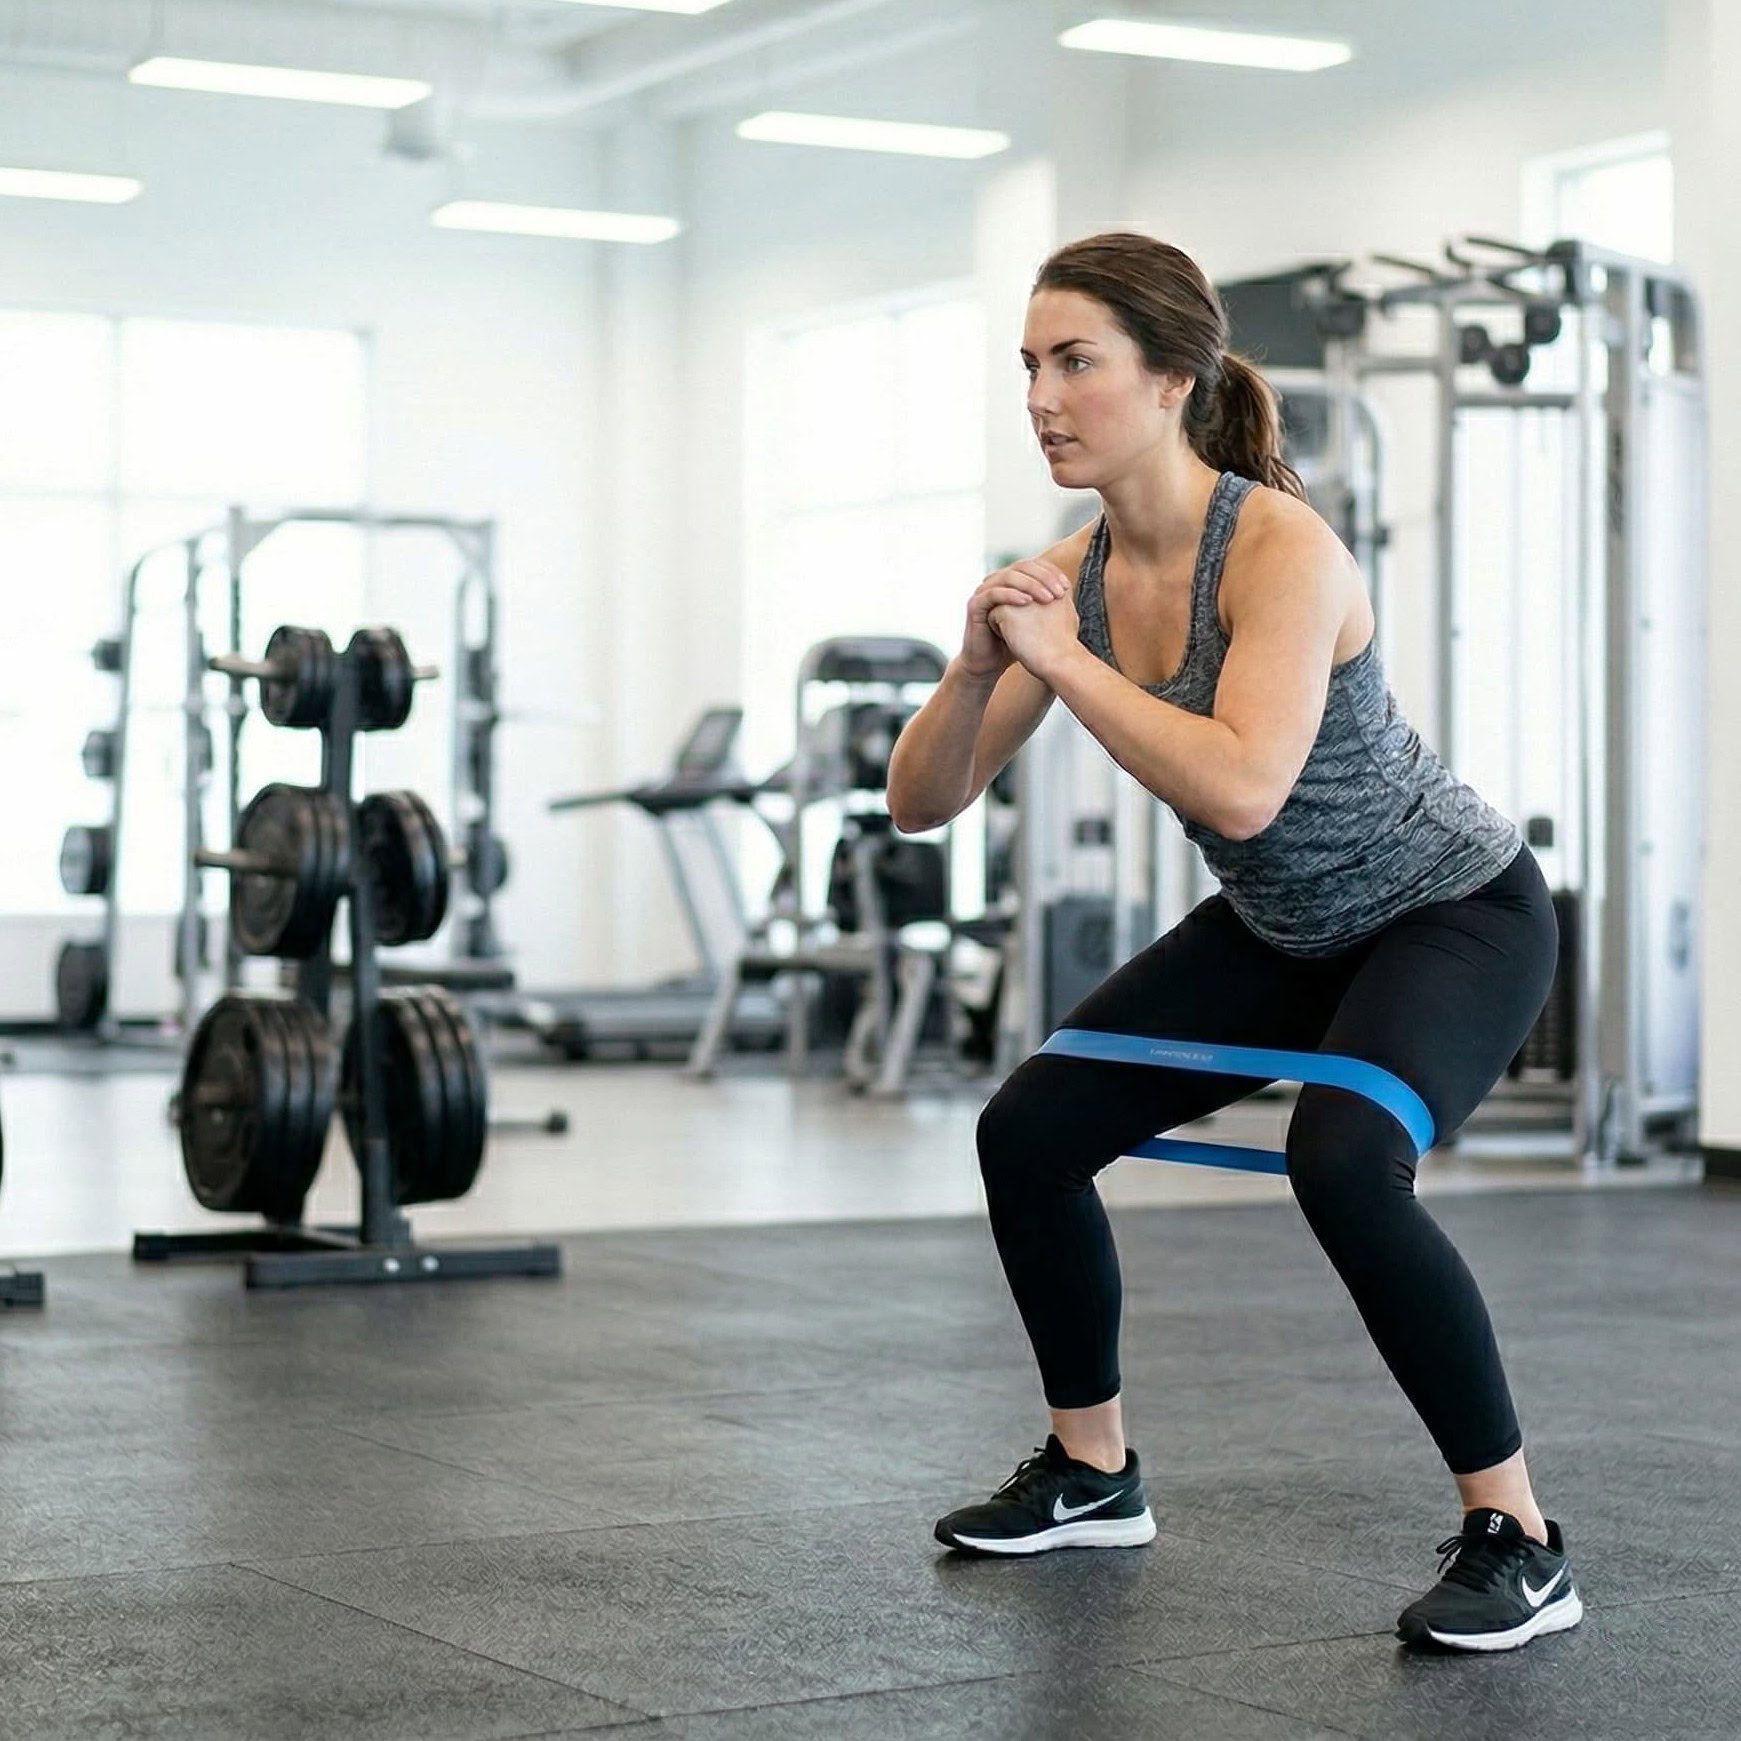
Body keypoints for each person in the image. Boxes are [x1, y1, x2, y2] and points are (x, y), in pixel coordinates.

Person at [885, 232, 1582, 1654]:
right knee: (1029, 1129)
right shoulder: (1068, 573)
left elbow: (1241, 784)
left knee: (1341, 1157)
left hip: (1449, 910)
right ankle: (1092, 1469)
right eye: (1029, 364)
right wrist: (974, 668)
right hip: (1284, 923)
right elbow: (921, 802)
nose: (1042, 396)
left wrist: (1063, 660)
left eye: (1075, 361)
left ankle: (1516, 1534)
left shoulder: (1278, 547)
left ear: (1173, 380)